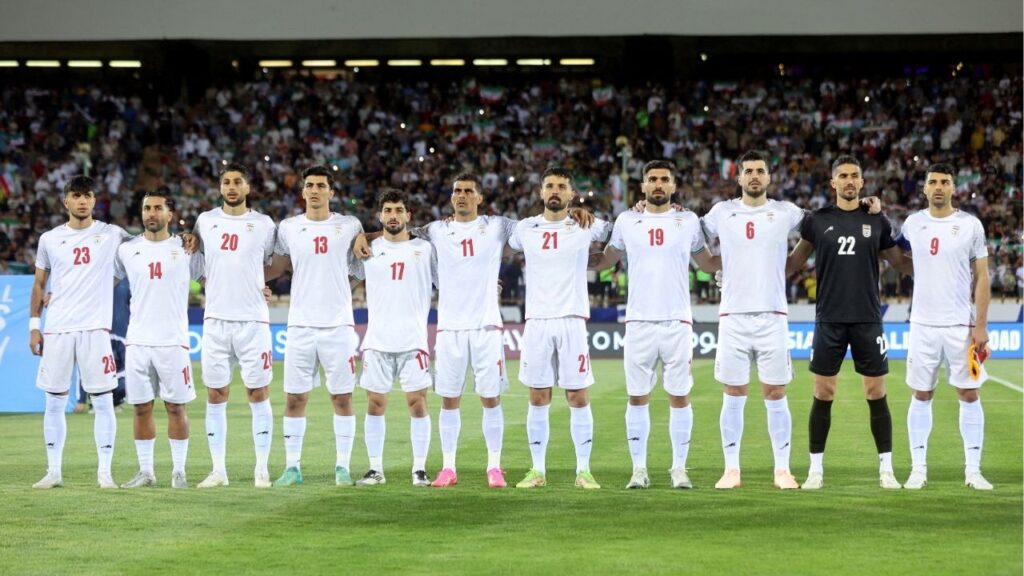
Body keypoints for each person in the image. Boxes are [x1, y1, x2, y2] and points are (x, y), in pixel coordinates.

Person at [590, 160, 718, 489]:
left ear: (674, 187)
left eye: (664, 179)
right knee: (637, 397)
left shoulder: (687, 220)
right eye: (652, 179)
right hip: (639, 322)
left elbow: (706, 264)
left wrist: (741, 261)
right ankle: (639, 469)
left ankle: (679, 468)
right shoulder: (627, 220)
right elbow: (605, 260)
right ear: (643, 186)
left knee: (679, 397)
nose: (658, 184)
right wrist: (569, 244)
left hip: (677, 321)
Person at [787, 155, 912, 490]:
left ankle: (886, 469)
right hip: (829, 318)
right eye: (843, 176)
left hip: (868, 318)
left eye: (855, 175)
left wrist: (943, 265)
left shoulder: (878, 220)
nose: (849, 181)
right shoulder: (817, 220)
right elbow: (791, 265)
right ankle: (816, 470)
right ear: (832, 183)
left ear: (862, 181)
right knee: (823, 392)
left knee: (876, 392)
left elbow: (901, 264)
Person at [701, 150, 807, 490]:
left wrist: (791, 263)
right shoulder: (721, 212)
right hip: (732, 315)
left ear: (769, 176)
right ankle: (731, 470)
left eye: (760, 170)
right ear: (739, 177)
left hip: (772, 315)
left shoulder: (785, 212)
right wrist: (716, 267)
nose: (754, 176)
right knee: (733, 392)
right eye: (748, 171)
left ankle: (782, 470)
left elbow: (822, 227)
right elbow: (688, 233)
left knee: (776, 391)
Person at [509, 167, 612, 490]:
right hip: (537, 321)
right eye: (550, 186)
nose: (555, 191)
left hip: (572, 320)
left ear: (571, 194)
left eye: (562, 186)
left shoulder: (585, 225)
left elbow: (621, 231)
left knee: (578, 395)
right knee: (538, 396)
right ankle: (537, 470)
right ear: (541, 193)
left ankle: (584, 470)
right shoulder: (525, 228)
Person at [29, 175, 132, 489]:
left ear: (94, 199)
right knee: (55, 401)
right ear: (66, 201)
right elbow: (38, 284)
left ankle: (105, 473)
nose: (82, 201)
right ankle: (54, 471)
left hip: (95, 329)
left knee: (102, 400)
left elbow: (144, 251)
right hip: (58, 327)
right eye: (76, 196)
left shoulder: (112, 234)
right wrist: (35, 326)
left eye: (87, 195)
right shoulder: (49, 239)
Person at [266, 166, 364, 487]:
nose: (315, 190)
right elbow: (277, 266)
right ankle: (292, 467)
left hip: (338, 325)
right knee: (295, 398)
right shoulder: (289, 227)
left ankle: (343, 467)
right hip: (300, 326)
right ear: (303, 191)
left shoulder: (349, 226)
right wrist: (251, 282)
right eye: (310, 185)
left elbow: (368, 260)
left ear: (331, 193)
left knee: (342, 399)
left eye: (322, 186)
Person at [898, 163, 993, 490]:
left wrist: (980, 326)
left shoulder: (970, 225)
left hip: (961, 326)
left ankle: (973, 470)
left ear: (954, 187)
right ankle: (918, 470)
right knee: (921, 393)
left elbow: (983, 277)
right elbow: (896, 257)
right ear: (924, 188)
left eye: (945, 182)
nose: (938, 187)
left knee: (969, 392)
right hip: (922, 324)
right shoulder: (912, 224)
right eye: (933, 182)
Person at [193, 162, 277, 488]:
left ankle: (261, 468)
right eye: (226, 181)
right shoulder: (206, 221)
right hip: (215, 320)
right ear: (220, 187)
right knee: (216, 393)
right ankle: (218, 470)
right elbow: (198, 258)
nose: (231, 186)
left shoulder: (264, 224)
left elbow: (277, 260)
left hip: (253, 320)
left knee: (258, 392)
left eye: (237, 182)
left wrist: (263, 282)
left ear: (247, 188)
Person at [115, 188, 203, 489]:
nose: (151, 213)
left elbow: (214, 277)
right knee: (141, 407)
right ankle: (146, 471)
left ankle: (179, 471)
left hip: (173, 342)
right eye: (146, 208)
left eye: (157, 208)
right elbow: (104, 282)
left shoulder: (186, 248)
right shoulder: (127, 250)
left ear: (170, 214)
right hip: (137, 341)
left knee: (176, 407)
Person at [354, 189, 436, 487]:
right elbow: (343, 275)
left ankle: (419, 469)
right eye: (388, 210)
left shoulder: (425, 250)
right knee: (375, 403)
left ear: (408, 216)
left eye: (399, 210)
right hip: (377, 339)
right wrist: (360, 237)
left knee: (417, 402)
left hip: (414, 340)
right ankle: (375, 469)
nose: (393, 215)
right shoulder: (368, 249)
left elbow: (449, 278)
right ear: (380, 216)